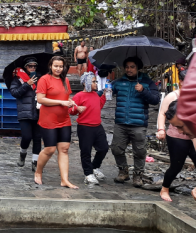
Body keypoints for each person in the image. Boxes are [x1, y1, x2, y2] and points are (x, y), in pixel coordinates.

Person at [108, 56, 160, 187]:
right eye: (127, 67)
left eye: (132, 67)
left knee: (140, 151)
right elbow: (106, 93)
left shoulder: (147, 82)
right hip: (121, 122)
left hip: (139, 124)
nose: (129, 69)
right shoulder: (118, 82)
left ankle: (138, 175)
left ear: (138, 68)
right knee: (116, 149)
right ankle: (123, 171)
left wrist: (143, 91)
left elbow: (155, 99)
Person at [34, 56, 78, 189]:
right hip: (48, 119)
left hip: (64, 119)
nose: (58, 69)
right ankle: (38, 171)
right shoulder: (44, 79)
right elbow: (40, 99)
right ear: (50, 66)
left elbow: (65, 96)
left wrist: (70, 102)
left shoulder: (66, 80)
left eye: (60, 66)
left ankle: (64, 180)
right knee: (50, 149)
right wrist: (60, 102)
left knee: (64, 149)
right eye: (56, 66)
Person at [69, 72, 108, 185]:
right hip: (85, 127)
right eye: (94, 81)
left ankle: (94, 167)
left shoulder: (95, 94)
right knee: (86, 151)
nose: (96, 83)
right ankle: (88, 174)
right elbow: (70, 110)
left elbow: (98, 106)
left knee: (104, 148)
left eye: (96, 81)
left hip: (97, 126)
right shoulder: (79, 96)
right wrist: (76, 108)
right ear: (86, 83)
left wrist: (104, 96)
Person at [157, 93, 196, 202]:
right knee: (176, 165)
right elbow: (161, 113)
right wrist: (161, 129)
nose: (180, 131)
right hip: (176, 140)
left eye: (180, 126)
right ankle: (165, 188)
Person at [9, 57, 42, 171]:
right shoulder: (18, 79)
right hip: (24, 112)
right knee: (27, 137)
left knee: (37, 138)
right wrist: (27, 84)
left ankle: (35, 162)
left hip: (38, 111)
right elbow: (15, 93)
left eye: (34, 66)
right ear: (25, 67)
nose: (33, 68)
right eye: (30, 66)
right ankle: (22, 154)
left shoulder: (40, 78)